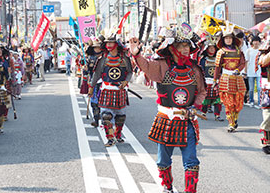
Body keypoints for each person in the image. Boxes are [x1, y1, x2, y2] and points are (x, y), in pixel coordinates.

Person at [129, 24, 206, 193]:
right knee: (163, 161)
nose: (185, 49)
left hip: (187, 121)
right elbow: (146, 66)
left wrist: (195, 106)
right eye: (180, 46)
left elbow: (201, 91)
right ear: (172, 48)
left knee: (191, 161)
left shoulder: (194, 69)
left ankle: (190, 191)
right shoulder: (161, 65)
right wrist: (136, 54)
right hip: (166, 120)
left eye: (187, 45)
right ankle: (167, 186)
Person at [89, 33, 132, 147]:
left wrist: (126, 81)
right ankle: (110, 138)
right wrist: (91, 87)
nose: (109, 45)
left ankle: (118, 135)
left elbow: (130, 72)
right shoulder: (102, 59)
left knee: (120, 117)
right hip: (107, 89)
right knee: (106, 116)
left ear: (116, 44)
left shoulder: (124, 58)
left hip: (120, 90)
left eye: (111, 42)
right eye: (107, 43)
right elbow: (97, 74)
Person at [213, 22, 246, 133]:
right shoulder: (221, 52)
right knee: (228, 103)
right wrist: (215, 80)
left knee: (238, 102)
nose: (228, 40)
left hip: (237, 78)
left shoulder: (239, 51)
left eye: (229, 38)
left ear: (233, 39)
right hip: (226, 79)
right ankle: (231, 123)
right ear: (223, 40)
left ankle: (235, 118)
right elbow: (217, 67)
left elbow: (242, 63)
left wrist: (238, 70)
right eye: (226, 38)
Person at [199, 35, 224, 121]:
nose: (212, 50)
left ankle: (217, 115)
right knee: (206, 100)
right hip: (206, 81)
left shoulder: (219, 58)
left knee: (218, 100)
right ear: (207, 49)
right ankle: (203, 113)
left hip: (216, 81)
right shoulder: (203, 60)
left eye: (213, 48)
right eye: (210, 48)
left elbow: (221, 69)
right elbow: (200, 71)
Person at [258, 30, 270, 154]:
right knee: (268, 116)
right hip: (268, 88)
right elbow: (262, 62)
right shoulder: (263, 53)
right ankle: (267, 142)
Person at [86, 39, 103, 127]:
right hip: (93, 81)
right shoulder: (91, 57)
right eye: (95, 47)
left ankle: (105, 120)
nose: (97, 49)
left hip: (103, 82)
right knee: (94, 101)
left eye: (98, 47)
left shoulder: (105, 57)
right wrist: (86, 68)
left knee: (103, 101)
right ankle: (96, 119)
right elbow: (89, 69)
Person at [245, 36, 261, 109]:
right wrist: (245, 71)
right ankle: (251, 101)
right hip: (250, 71)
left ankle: (259, 102)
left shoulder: (261, 51)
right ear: (252, 42)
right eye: (255, 41)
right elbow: (246, 61)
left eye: (257, 41)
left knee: (259, 88)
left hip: (259, 72)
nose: (256, 42)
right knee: (251, 88)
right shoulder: (249, 50)